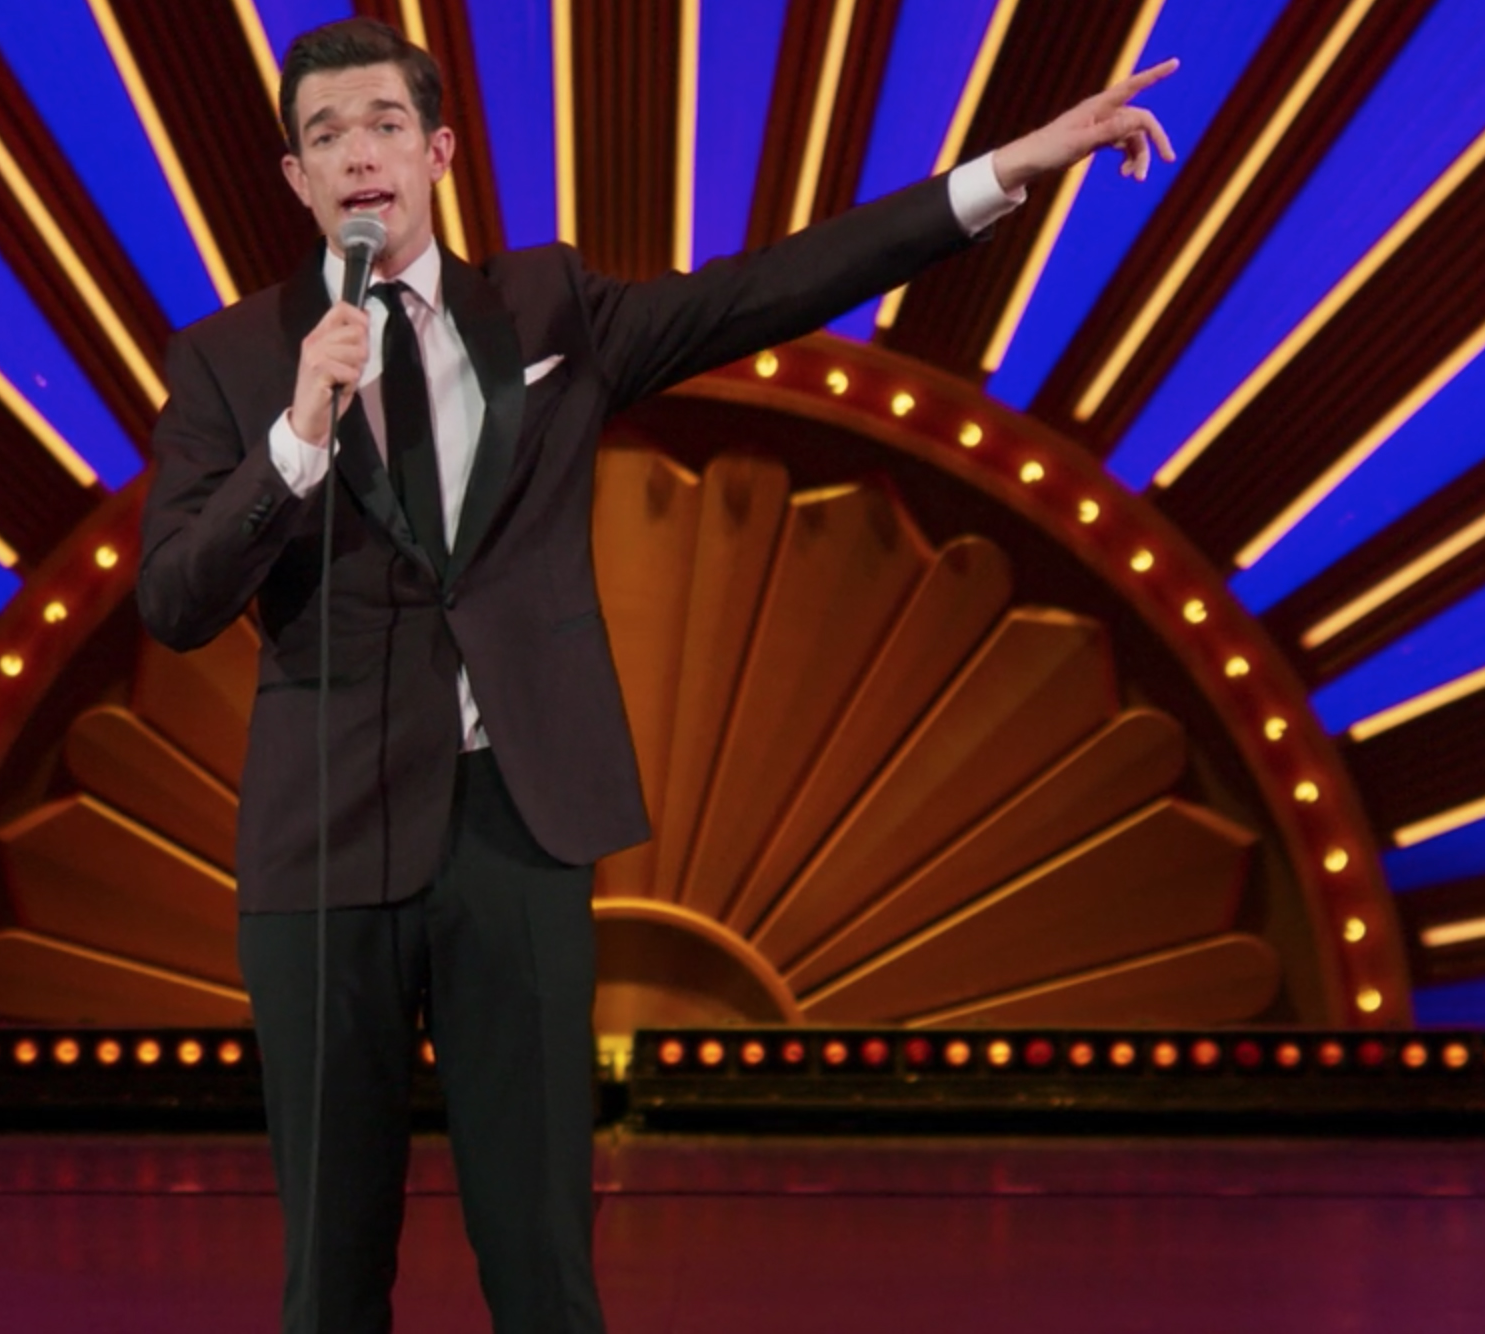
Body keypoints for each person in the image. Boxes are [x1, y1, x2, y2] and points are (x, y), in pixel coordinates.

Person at [137, 18, 1176, 1332]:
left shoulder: (547, 311)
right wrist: (296, 438)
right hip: (324, 843)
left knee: (542, 1257)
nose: (359, 155)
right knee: (331, 1274)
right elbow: (175, 602)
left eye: (385, 125)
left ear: (437, 152)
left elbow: (769, 288)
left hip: (513, 821)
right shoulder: (233, 362)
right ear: (297, 178)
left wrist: (1006, 169)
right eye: (326, 135)